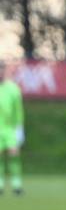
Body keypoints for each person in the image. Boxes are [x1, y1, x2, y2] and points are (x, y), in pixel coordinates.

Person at [0, 61, 25, 195]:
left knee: (14, 155)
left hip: (10, 129)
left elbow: (18, 111)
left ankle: (17, 185)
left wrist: (19, 130)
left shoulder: (13, 89)